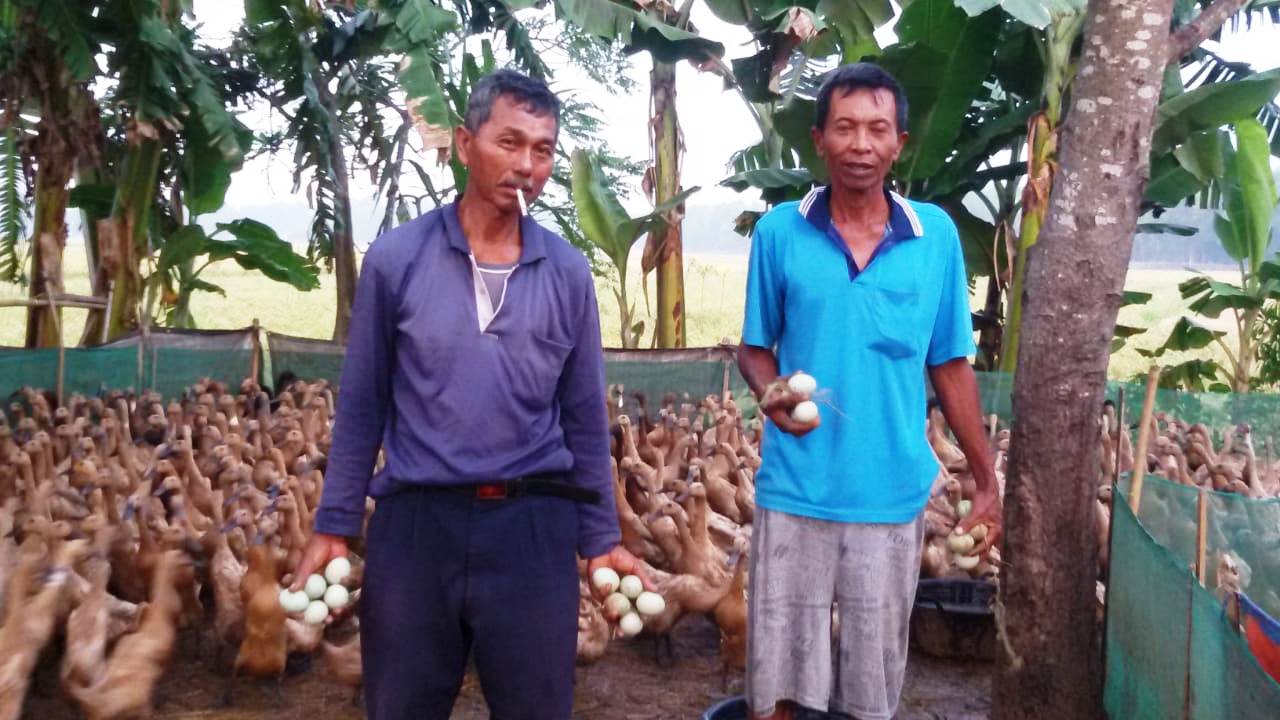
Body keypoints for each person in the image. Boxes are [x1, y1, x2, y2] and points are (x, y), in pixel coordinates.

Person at [289, 69, 647, 720]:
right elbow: (364, 401)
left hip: (532, 530)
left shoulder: (566, 272)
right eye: (509, 142)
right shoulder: (398, 260)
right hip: (417, 527)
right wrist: (334, 525)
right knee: (400, 707)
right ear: (464, 143)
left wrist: (601, 535)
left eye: (542, 150)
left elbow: (584, 420)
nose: (527, 165)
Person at [736, 63, 1002, 720]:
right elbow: (753, 347)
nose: (861, 144)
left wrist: (987, 477)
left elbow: (950, 364)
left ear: (899, 143)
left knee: (870, 690)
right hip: (796, 489)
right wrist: (771, 392)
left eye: (877, 129)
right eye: (846, 128)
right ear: (818, 138)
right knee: (779, 687)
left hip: (890, 497)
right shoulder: (779, 232)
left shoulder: (933, 236)